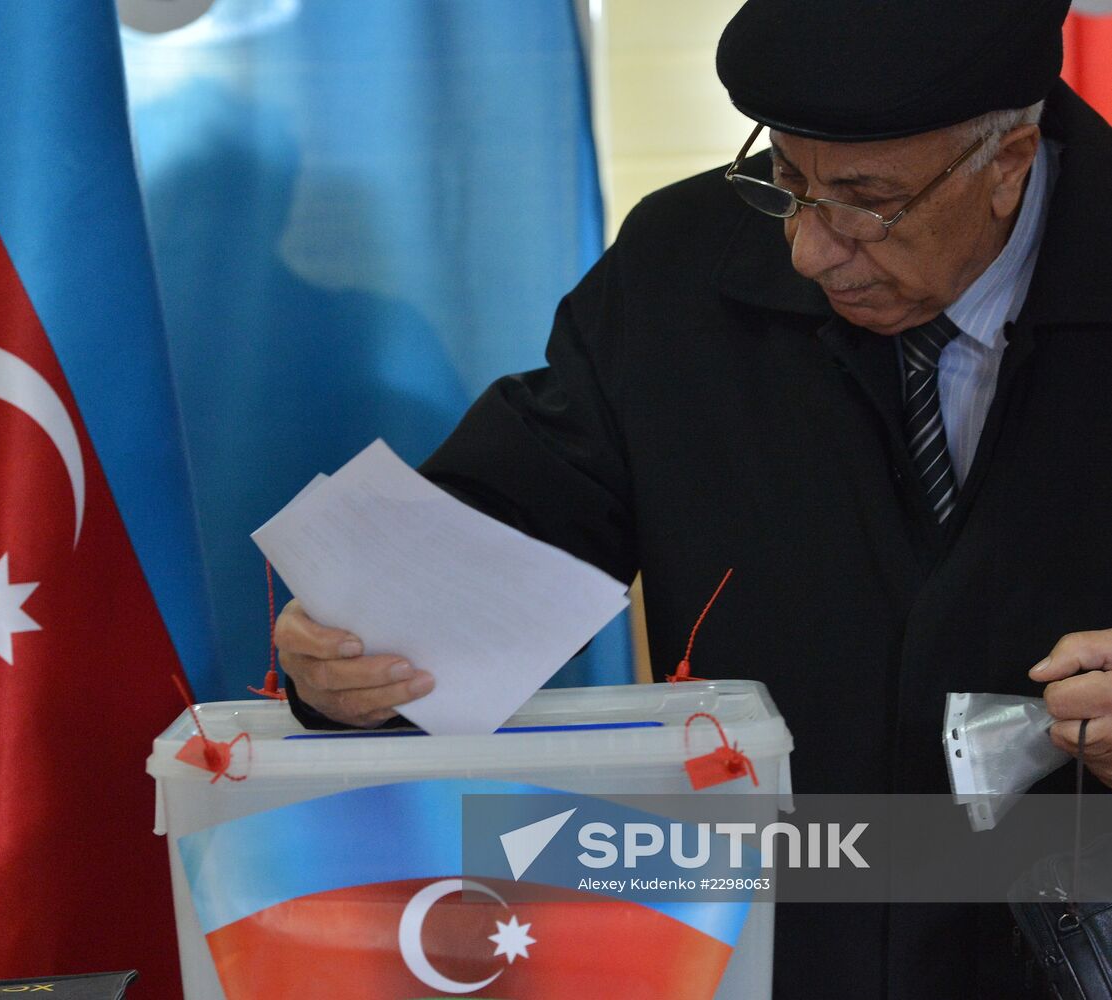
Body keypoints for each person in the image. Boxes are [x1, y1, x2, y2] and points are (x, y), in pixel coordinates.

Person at [274, 0, 1112, 995]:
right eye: (785, 179)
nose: (807, 248)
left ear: (1008, 162)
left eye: (864, 198)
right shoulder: (682, 263)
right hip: (776, 936)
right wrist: (354, 655)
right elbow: (515, 513)